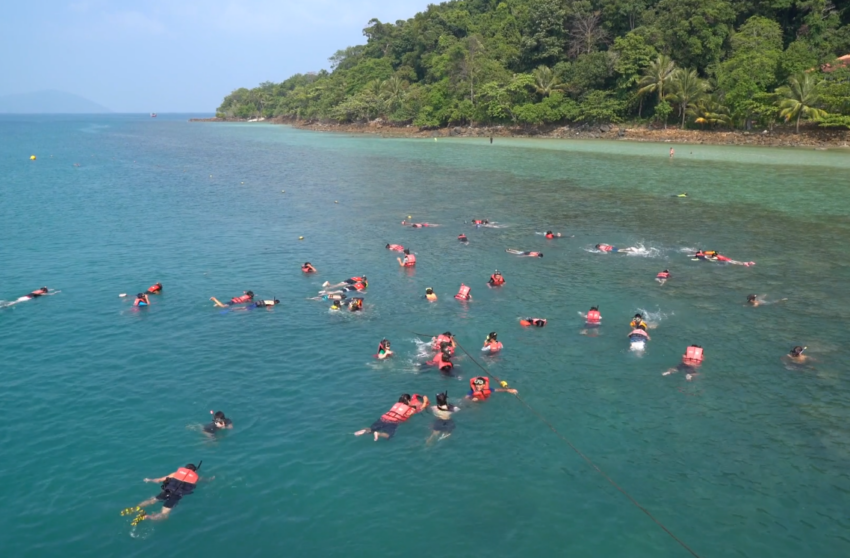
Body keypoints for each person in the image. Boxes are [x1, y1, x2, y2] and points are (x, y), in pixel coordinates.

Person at [120, 463, 208, 523]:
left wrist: (150, 479)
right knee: (164, 515)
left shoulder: (175, 474)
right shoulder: (196, 478)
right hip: (176, 495)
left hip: (167, 491)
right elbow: (203, 481)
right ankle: (148, 517)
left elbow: (159, 480)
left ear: (185, 469)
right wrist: (209, 479)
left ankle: (135, 508)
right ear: (194, 471)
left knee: (152, 500)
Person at [354, 394, 430, 441]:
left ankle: (362, 431)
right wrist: (425, 399)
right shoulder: (411, 408)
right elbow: (421, 408)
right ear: (409, 401)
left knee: (371, 429)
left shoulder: (396, 404)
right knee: (389, 435)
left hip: (383, 418)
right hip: (393, 422)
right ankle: (378, 434)